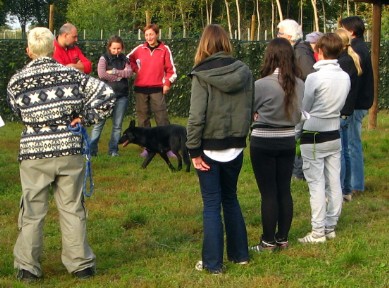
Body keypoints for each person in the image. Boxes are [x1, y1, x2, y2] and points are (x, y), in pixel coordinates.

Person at [7, 27, 115, 282]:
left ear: (29, 50)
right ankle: (81, 265)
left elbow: (17, 112)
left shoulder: (16, 81)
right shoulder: (71, 74)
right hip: (69, 149)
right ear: (53, 47)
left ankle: (27, 268)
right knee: (72, 207)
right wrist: (84, 117)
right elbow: (106, 95)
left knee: (32, 210)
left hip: (34, 153)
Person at [186, 24, 253, 274]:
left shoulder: (200, 75)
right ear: (225, 43)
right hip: (235, 145)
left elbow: (195, 118)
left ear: (204, 44)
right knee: (230, 199)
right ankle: (240, 255)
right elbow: (250, 107)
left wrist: (193, 150)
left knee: (212, 205)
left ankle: (213, 264)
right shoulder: (244, 71)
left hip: (210, 149)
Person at [250, 38, 304, 252]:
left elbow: (249, 111)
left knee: (268, 193)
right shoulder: (300, 84)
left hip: (263, 140)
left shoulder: (261, 84)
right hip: (287, 140)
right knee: (284, 190)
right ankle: (282, 238)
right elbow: (300, 113)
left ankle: (268, 242)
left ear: (269, 57)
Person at [297, 33, 350, 244]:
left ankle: (318, 231)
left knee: (316, 184)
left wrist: (295, 131)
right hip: (334, 132)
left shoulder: (314, 77)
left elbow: (305, 108)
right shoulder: (344, 76)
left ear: (319, 51)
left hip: (314, 134)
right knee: (334, 181)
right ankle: (330, 226)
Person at [127, 23, 177, 158]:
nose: (149, 37)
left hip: (157, 89)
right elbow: (127, 59)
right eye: (146, 34)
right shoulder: (139, 49)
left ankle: (168, 147)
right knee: (143, 118)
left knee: (162, 117)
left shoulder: (164, 49)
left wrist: (167, 83)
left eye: (151, 34)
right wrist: (135, 69)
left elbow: (171, 70)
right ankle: (148, 148)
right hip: (140, 89)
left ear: (157, 34)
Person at [277, 19, 316, 181]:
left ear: (289, 36)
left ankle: (298, 172)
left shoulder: (300, 52)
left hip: (301, 104)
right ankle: (298, 171)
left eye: (280, 33)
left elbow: (310, 77)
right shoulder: (298, 50)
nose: (277, 36)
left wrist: (299, 94)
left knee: (289, 138)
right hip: (299, 102)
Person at [340, 16, 374, 195]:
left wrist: (348, 107)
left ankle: (356, 184)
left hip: (355, 104)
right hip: (360, 103)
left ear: (351, 31)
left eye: (342, 28)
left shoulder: (356, 49)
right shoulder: (361, 47)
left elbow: (355, 84)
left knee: (352, 144)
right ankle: (355, 182)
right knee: (352, 143)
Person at [90, 35, 133, 157]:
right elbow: (102, 74)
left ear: (122, 48)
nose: (116, 51)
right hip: (105, 96)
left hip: (122, 96)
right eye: (114, 48)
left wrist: (114, 72)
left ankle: (113, 150)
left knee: (117, 125)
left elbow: (129, 73)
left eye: (119, 48)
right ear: (109, 47)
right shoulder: (104, 58)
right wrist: (120, 76)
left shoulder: (125, 59)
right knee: (99, 123)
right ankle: (92, 150)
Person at [335, 28, 363, 202]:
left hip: (341, 111)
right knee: (344, 151)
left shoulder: (343, 62)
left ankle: (341, 190)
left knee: (340, 153)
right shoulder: (350, 59)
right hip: (347, 111)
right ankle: (346, 190)